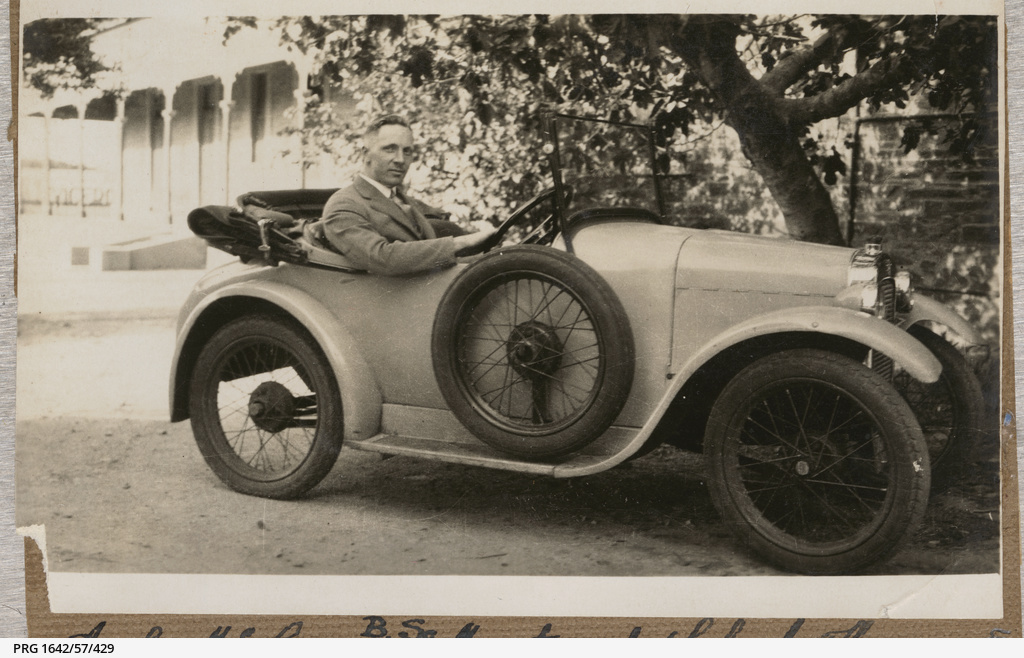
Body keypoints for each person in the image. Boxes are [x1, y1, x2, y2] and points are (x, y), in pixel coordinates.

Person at [305, 114, 497, 275]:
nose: (400, 160)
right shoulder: (344, 204)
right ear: (365, 154)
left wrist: (501, 255)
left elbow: (431, 259)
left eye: (407, 151)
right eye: (390, 149)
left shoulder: (404, 200)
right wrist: (461, 242)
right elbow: (383, 257)